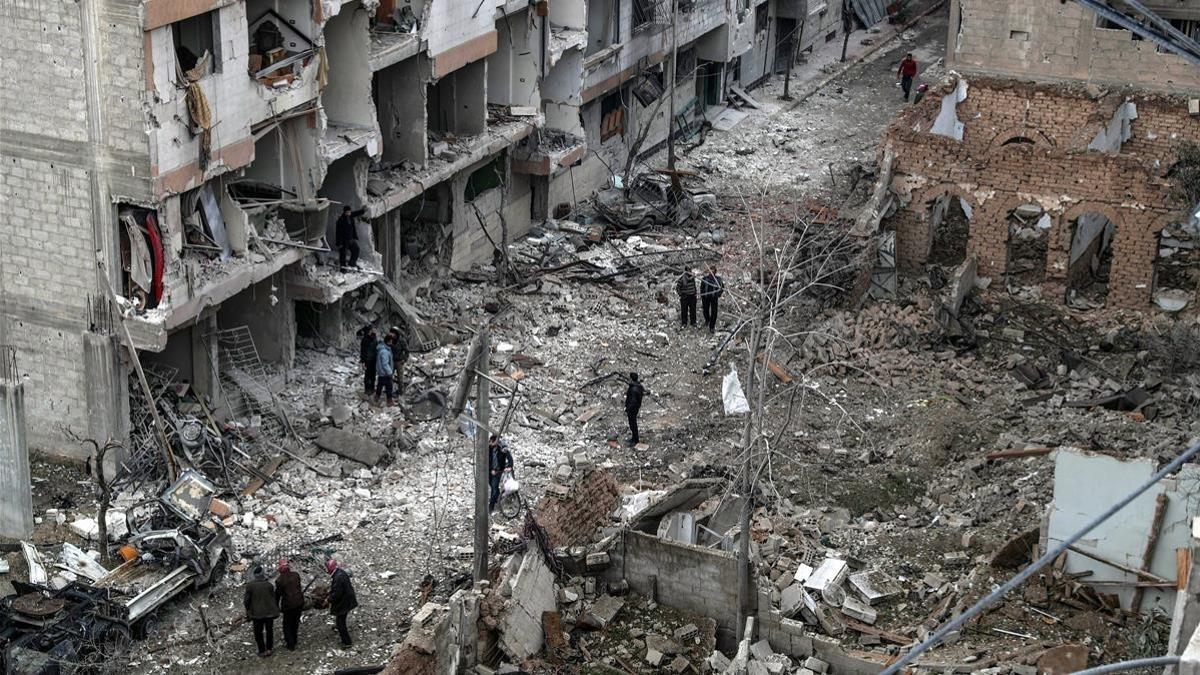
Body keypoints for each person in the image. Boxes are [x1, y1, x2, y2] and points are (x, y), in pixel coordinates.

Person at [244, 565, 280, 657]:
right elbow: (274, 598)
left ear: (255, 575)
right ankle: (269, 649)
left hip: (257, 614)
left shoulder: (250, 586)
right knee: (269, 631)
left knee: (258, 633)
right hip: (269, 613)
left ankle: (262, 650)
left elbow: (246, 601)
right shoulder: (269, 585)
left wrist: (248, 611)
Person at [326, 559, 358, 647]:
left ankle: (347, 642)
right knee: (341, 619)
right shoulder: (341, 573)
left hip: (344, 602)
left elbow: (336, 594)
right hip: (348, 599)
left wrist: (328, 599)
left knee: (340, 622)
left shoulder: (337, 577)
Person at [275, 559, 304, 652]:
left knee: (287, 624)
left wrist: (275, 605)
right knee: (295, 622)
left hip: (288, 605)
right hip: (299, 602)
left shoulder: (279, 580)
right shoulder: (296, 575)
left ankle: (290, 644)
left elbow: (278, 594)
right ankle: (294, 640)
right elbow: (299, 587)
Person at [488, 435, 514, 512]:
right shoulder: (488, 449)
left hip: (498, 471)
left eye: (492, 442)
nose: (490, 443)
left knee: (494, 488)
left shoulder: (501, 449)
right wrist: (490, 470)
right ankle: (497, 497)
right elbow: (485, 460)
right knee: (492, 486)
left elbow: (510, 458)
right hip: (489, 471)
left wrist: (510, 466)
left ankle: (491, 505)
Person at [335, 205, 366, 271]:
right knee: (343, 254)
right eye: (347, 212)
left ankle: (352, 263)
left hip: (351, 239)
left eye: (349, 212)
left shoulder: (351, 216)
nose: (349, 213)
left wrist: (363, 210)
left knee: (356, 250)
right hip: (344, 241)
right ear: (344, 212)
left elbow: (356, 213)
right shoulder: (340, 220)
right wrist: (339, 243)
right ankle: (343, 268)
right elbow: (338, 232)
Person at [700, 265, 725, 334]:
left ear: (715, 272)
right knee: (705, 310)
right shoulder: (704, 279)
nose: (711, 273)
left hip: (714, 297)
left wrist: (718, 294)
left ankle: (712, 326)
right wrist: (702, 295)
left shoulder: (718, 280)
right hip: (706, 297)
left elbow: (722, 288)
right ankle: (707, 320)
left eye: (713, 271)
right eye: (710, 271)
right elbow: (701, 288)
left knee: (714, 312)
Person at [624, 372, 646, 447]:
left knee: (633, 424)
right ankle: (634, 438)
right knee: (633, 424)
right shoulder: (638, 386)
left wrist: (627, 408)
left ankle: (635, 440)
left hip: (632, 409)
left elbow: (632, 401)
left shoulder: (633, 389)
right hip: (636, 407)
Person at [387, 326, 410, 395]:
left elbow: (407, 351)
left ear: (395, 333)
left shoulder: (401, 340)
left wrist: (405, 359)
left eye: (392, 333)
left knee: (400, 379)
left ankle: (401, 393)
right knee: (389, 376)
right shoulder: (389, 339)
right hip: (391, 361)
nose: (391, 334)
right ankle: (389, 391)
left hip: (399, 361)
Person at [375, 335, 396, 406]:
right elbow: (385, 364)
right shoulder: (385, 351)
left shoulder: (381, 348)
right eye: (391, 341)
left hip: (381, 372)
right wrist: (390, 372)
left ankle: (376, 397)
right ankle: (389, 401)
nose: (392, 342)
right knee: (389, 387)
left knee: (380, 385)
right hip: (385, 373)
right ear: (389, 341)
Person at [359, 325, 378, 397]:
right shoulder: (365, 339)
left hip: (374, 359)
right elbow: (362, 351)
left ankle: (372, 388)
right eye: (373, 329)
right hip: (367, 360)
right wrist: (363, 361)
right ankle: (367, 389)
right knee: (367, 375)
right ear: (370, 331)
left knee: (373, 374)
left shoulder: (375, 337)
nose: (374, 331)